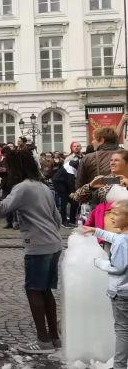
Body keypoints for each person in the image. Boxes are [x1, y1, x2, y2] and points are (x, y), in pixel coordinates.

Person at [0, 150, 63, 353]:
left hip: (38, 245)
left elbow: (0, 208)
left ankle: (43, 342)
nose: (6, 170)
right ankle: (55, 339)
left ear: (16, 167)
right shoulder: (42, 186)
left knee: (33, 290)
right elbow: (58, 219)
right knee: (45, 290)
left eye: (8, 166)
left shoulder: (22, 188)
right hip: (54, 244)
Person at [80, 200, 128, 369]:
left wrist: (98, 262)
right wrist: (96, 231)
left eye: (116, 215)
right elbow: (116, 237)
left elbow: (118, 267)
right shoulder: (124, 237)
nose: (111, 217)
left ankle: (120, 366)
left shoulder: (122, 242)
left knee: (122, 330)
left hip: (122, 293)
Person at [77, 126, 123, 191]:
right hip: (124, 198)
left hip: (98, 199)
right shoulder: (125, 154)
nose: (92, 142)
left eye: (94, 139)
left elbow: (79, 186)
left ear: (102, 140)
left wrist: (100, 182)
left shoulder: (88, 158)